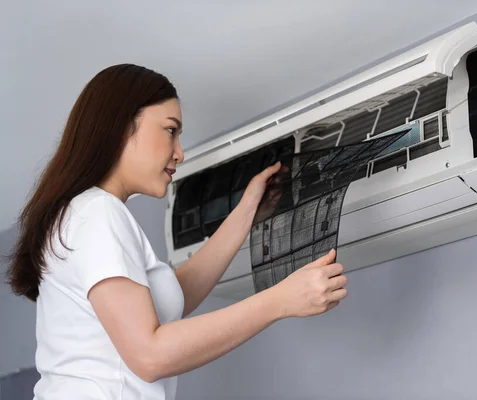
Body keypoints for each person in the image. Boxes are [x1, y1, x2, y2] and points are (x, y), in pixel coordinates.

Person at [5, 64, 348, 400]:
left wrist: (247, 212)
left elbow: (173, 296)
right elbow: (149, 355)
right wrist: (279, 301)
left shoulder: (82, 215)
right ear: (123, 126)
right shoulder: (97, 212)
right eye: (171, 130)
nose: (180, 153)